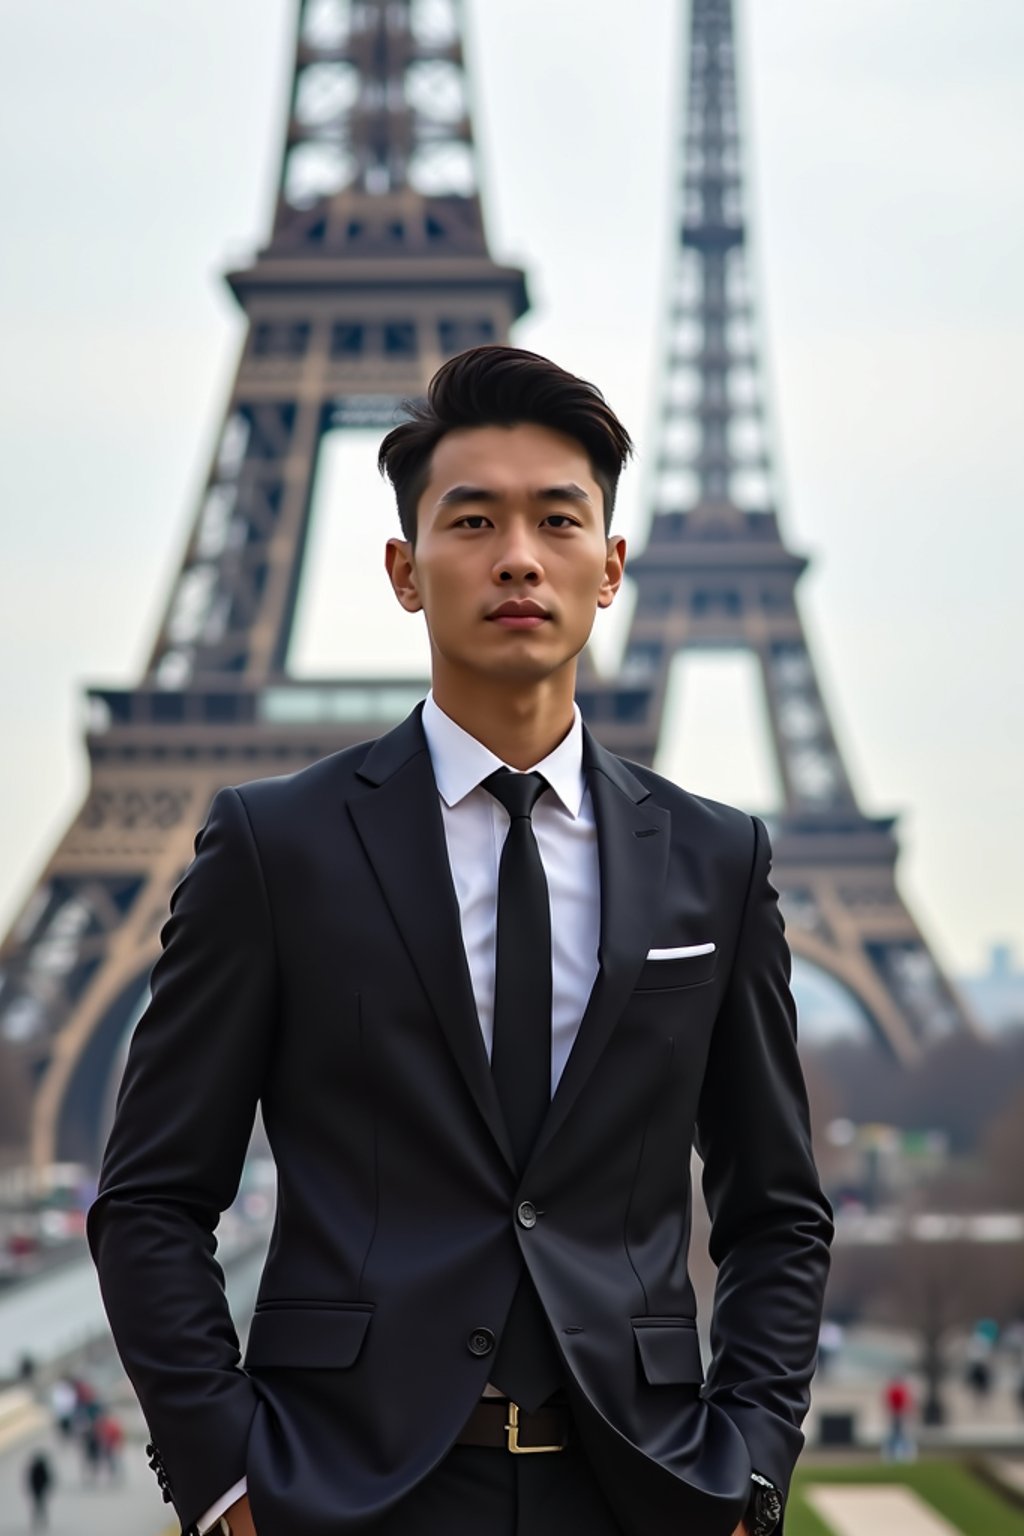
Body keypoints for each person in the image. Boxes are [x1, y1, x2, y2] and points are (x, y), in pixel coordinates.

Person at [89, 346, 833, 1536]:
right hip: (347, 1491)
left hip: (639, 1490)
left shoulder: (718, 861)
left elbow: (775, 1209)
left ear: (612, 568)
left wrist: (747, 1468)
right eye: (473, 520)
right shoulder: (276, 849)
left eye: (558, 520)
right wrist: (229, 1477)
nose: (518, 557)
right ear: (403, 569)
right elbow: (152, 1199)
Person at [24, 1449, 54, 1530]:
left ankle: (38, 1521)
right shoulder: (41, 1469)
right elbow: (47, 1479)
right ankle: (40, 1521)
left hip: (38, 1490)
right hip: (39, 1490)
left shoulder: (35, 1469)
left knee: (38, 1506)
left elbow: (31, 1480)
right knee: (40, 1506)